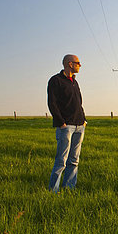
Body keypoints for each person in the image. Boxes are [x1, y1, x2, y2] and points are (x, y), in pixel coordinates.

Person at [47, 54, 87, 192]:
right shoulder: (55, 80)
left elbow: (79, 103)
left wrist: (84, 120)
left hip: (80, 126)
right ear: (70, 64)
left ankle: (69, 188)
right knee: (61, 161)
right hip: (66, 127)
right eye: (78, 63)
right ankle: (53, 191)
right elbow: (52, 103)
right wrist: (61, 123)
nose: (80, 65)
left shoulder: (75, 82)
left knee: (74, 160)